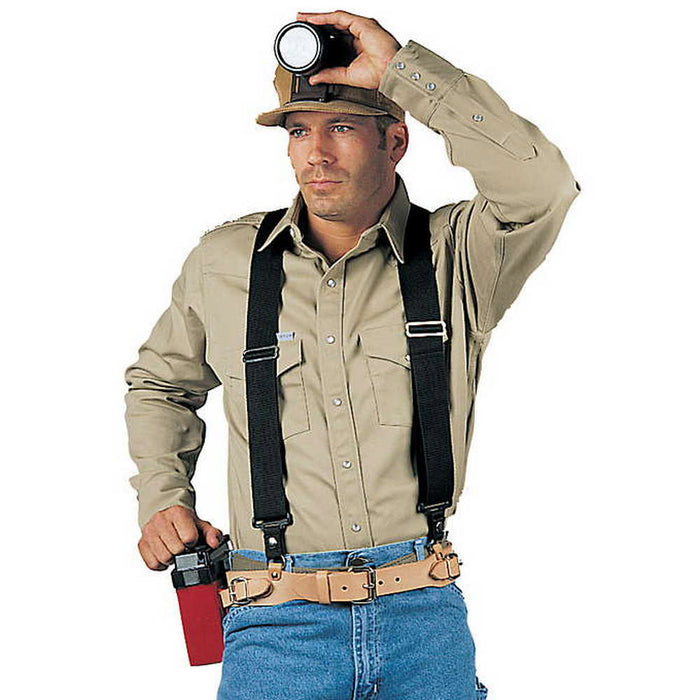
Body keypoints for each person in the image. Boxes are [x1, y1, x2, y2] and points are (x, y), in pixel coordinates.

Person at [123, 9, 579, 699]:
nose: (316, 154)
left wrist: (404, 72)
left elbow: (542, 186)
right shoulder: (225, 263)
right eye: (299, 131)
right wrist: (163, 498)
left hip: (423, 620)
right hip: (275, 624)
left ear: (395, 141)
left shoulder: (459, 257)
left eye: (340, 128)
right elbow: (161, 384)